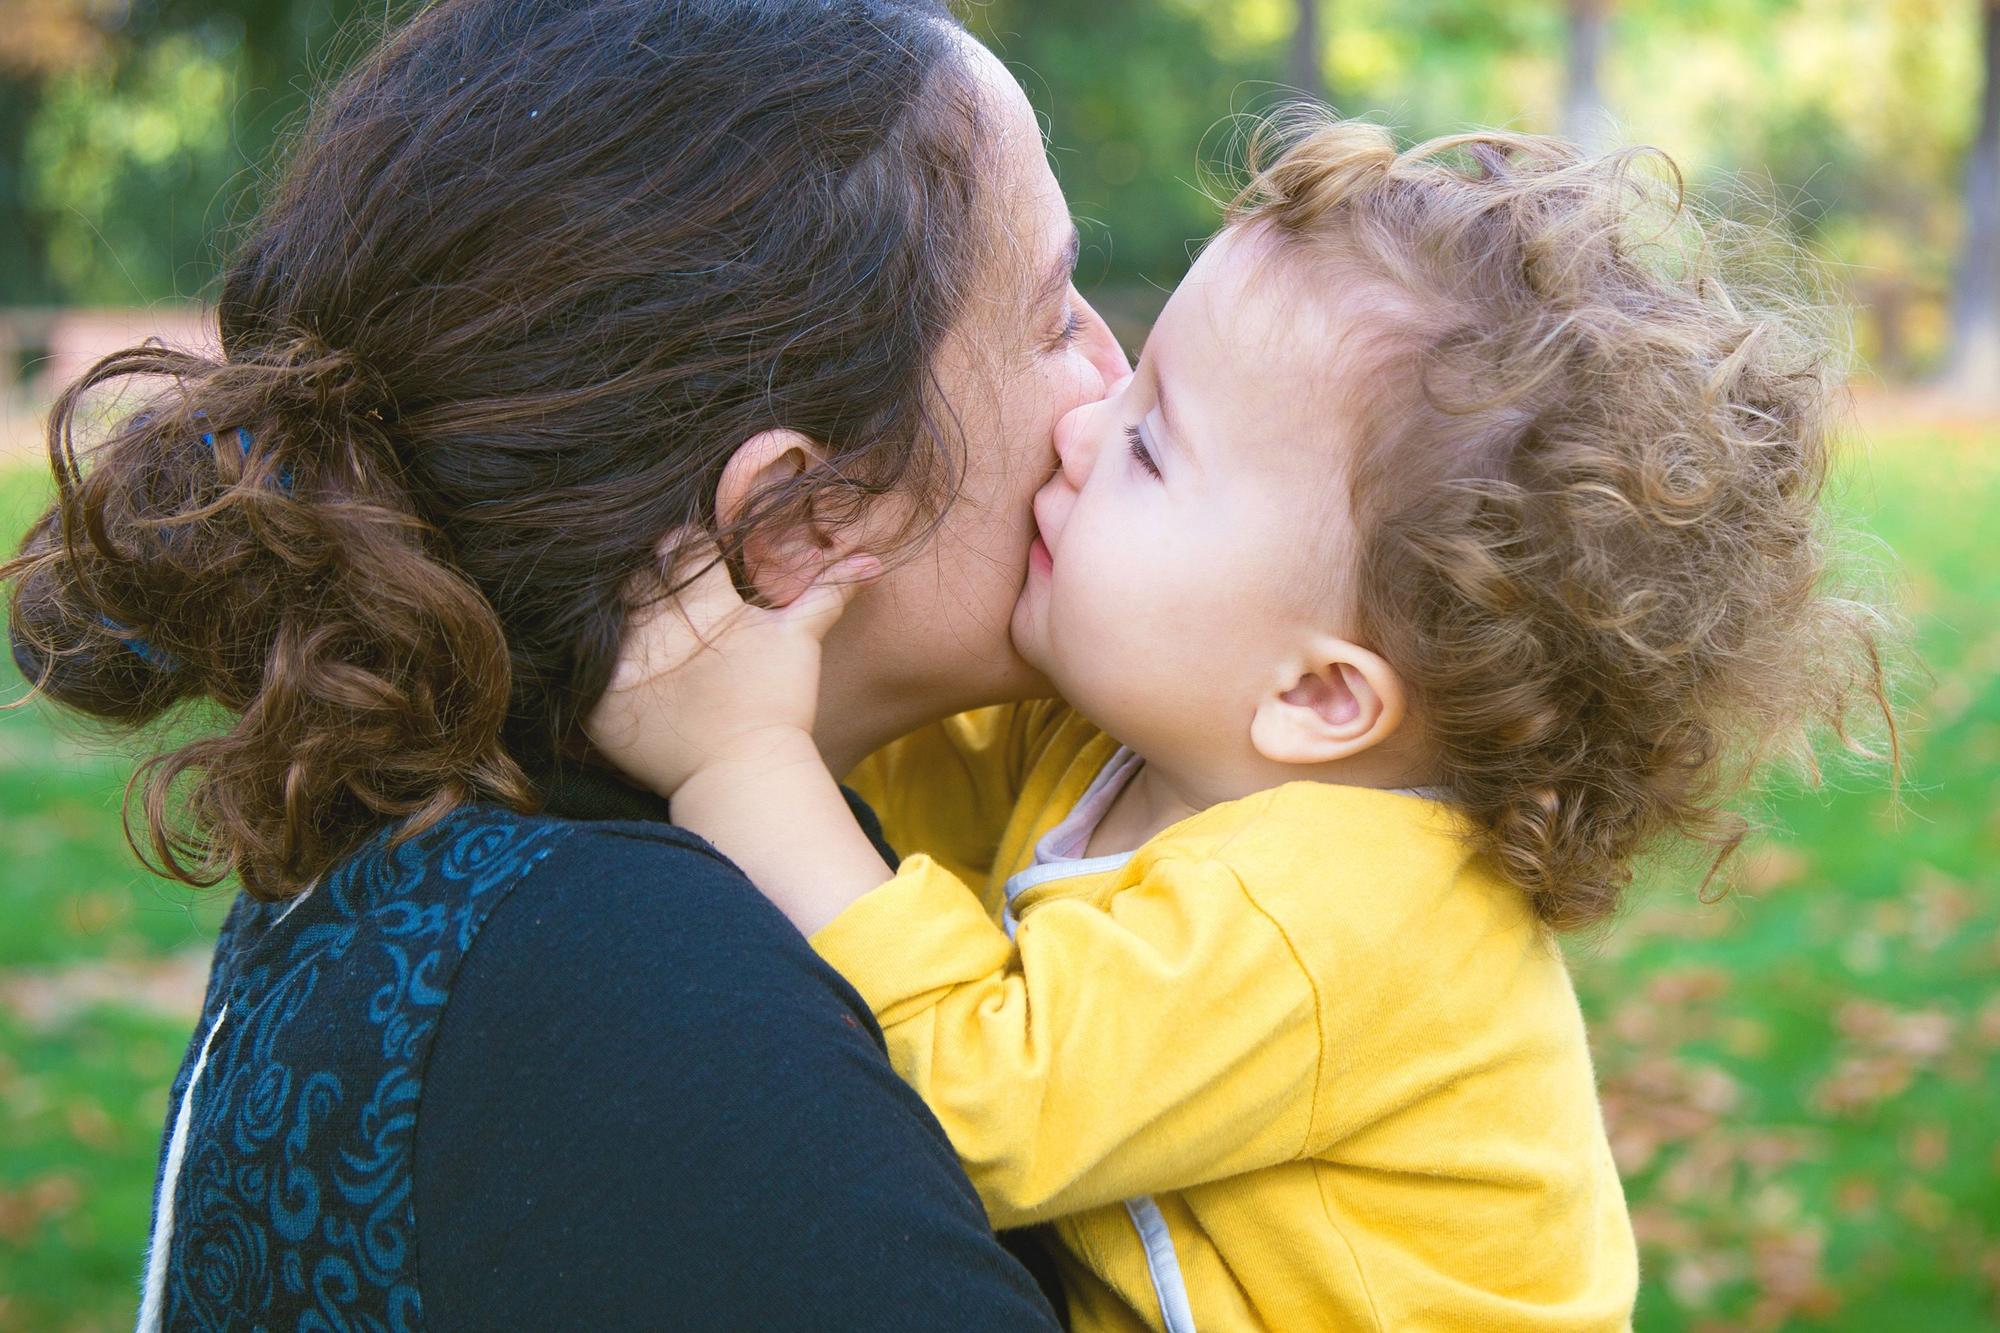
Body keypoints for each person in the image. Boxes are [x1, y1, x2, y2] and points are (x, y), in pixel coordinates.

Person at [588, 117, 1896, 1330]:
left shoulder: (1345, 914)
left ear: (1319, 696)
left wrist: (742, 759)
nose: (1086, 423)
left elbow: (973, 1101)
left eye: (1154, 446)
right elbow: (893, 815)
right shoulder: (1138, 740)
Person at [3, 0, 1130, 1326]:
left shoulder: (479, 871)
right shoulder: (652, 1019)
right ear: (796, 520)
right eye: (1056, 313)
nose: (1118, 377)